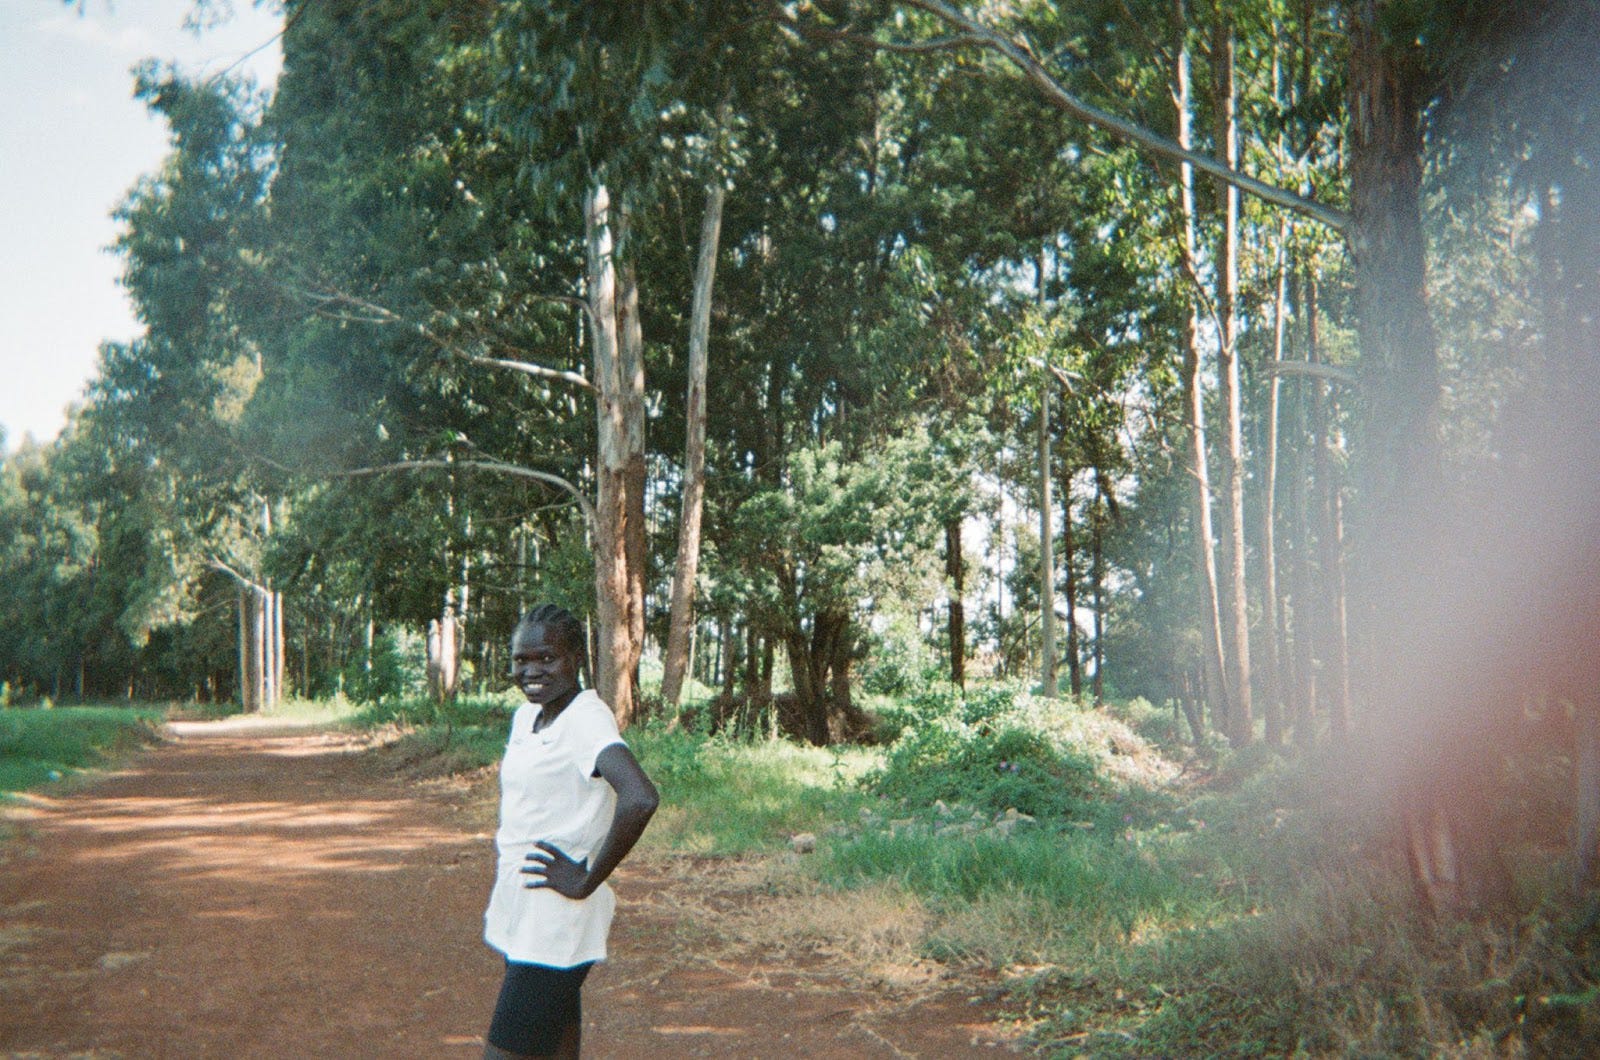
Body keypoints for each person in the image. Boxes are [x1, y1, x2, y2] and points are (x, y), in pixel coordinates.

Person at [481, 604, 659, 1059]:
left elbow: (639, 797)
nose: (531, 671)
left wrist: (586, 879)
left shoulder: (585, 718)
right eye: (521, 660)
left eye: (546, 658)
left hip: (555, 916)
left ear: (576, 658)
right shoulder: (528, 717)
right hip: (523, 903)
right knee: (556, 1045)